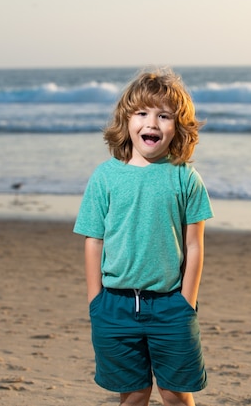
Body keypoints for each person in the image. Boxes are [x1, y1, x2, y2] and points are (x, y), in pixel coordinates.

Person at [73, 68, 213, 406]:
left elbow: (194, 245)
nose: (151, 123)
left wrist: (186, 301)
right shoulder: (106, 177)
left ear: (177, 127)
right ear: (126, 120)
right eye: (142, 113)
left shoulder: (185, 178)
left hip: (170, 305)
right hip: (114, 305)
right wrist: (96, 300)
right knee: (134, 394)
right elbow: (93, 239)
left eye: (163, 116)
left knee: (176, 393)